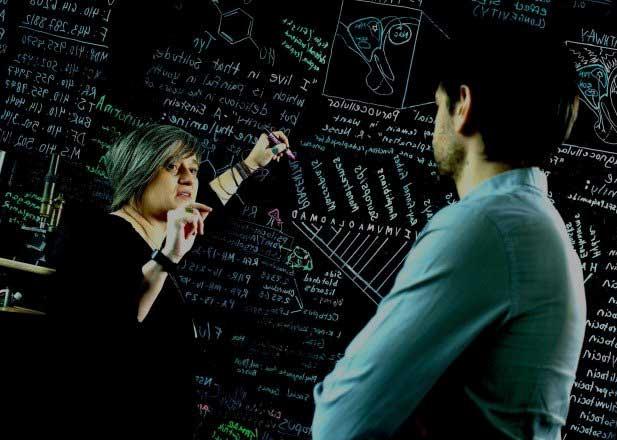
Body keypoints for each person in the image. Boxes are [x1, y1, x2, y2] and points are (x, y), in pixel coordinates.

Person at [312, 34, 587, 439]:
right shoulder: (540, 227)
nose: (434, 123)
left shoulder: (484, 227)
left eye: (438, 106)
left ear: (463, 105)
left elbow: (340, 423)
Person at [46, 124, 290, 439]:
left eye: (194, 168)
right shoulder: (96, 234)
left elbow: (206, 199)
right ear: (139, 171)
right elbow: (109, 327)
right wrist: (166, 259)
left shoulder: (155, 244)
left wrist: (251, 164)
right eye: (171, 166)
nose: (188, 176)